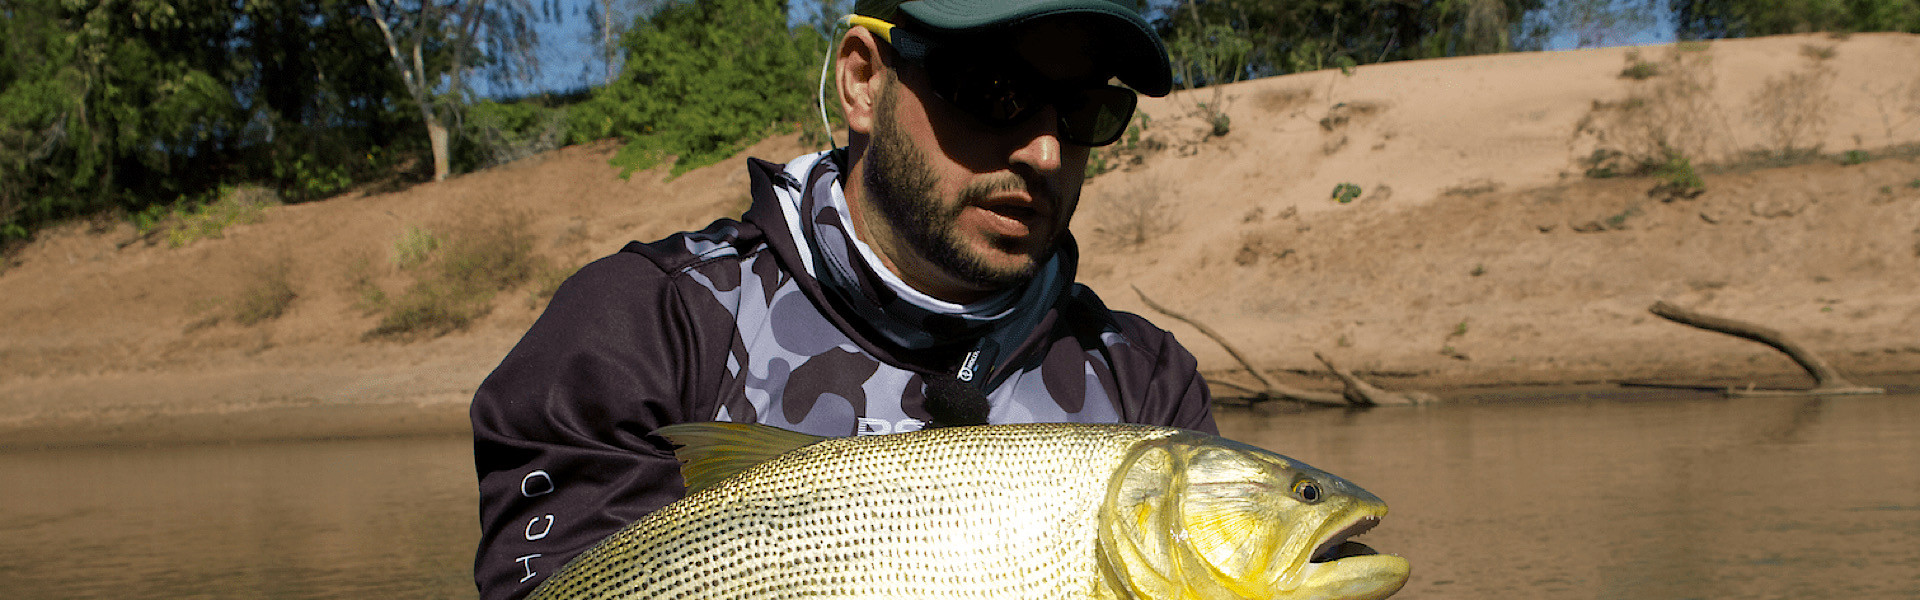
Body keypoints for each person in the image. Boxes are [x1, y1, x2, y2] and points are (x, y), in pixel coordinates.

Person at [469, 0, 1217, 597]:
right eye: (997, 90)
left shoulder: (1148, 383)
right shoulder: (642, 325)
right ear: (864, 80)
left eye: (1086, 110)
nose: (1045, 150)